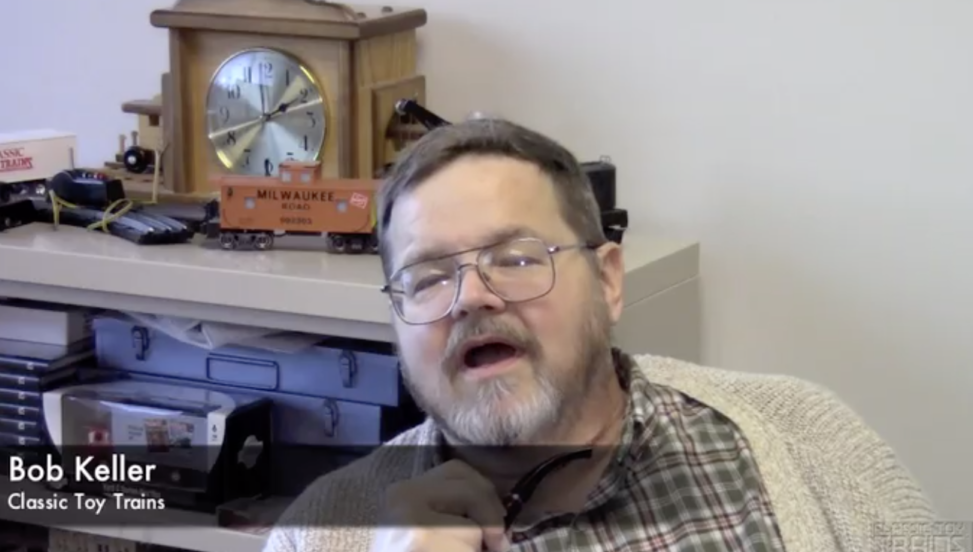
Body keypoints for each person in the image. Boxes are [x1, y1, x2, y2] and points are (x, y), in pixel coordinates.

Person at [263, 119, 935, 552]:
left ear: (609, 280)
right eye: (428, 277)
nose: (472, 296)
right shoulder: (319, 533)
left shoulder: (806, 441)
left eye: (518, 258)